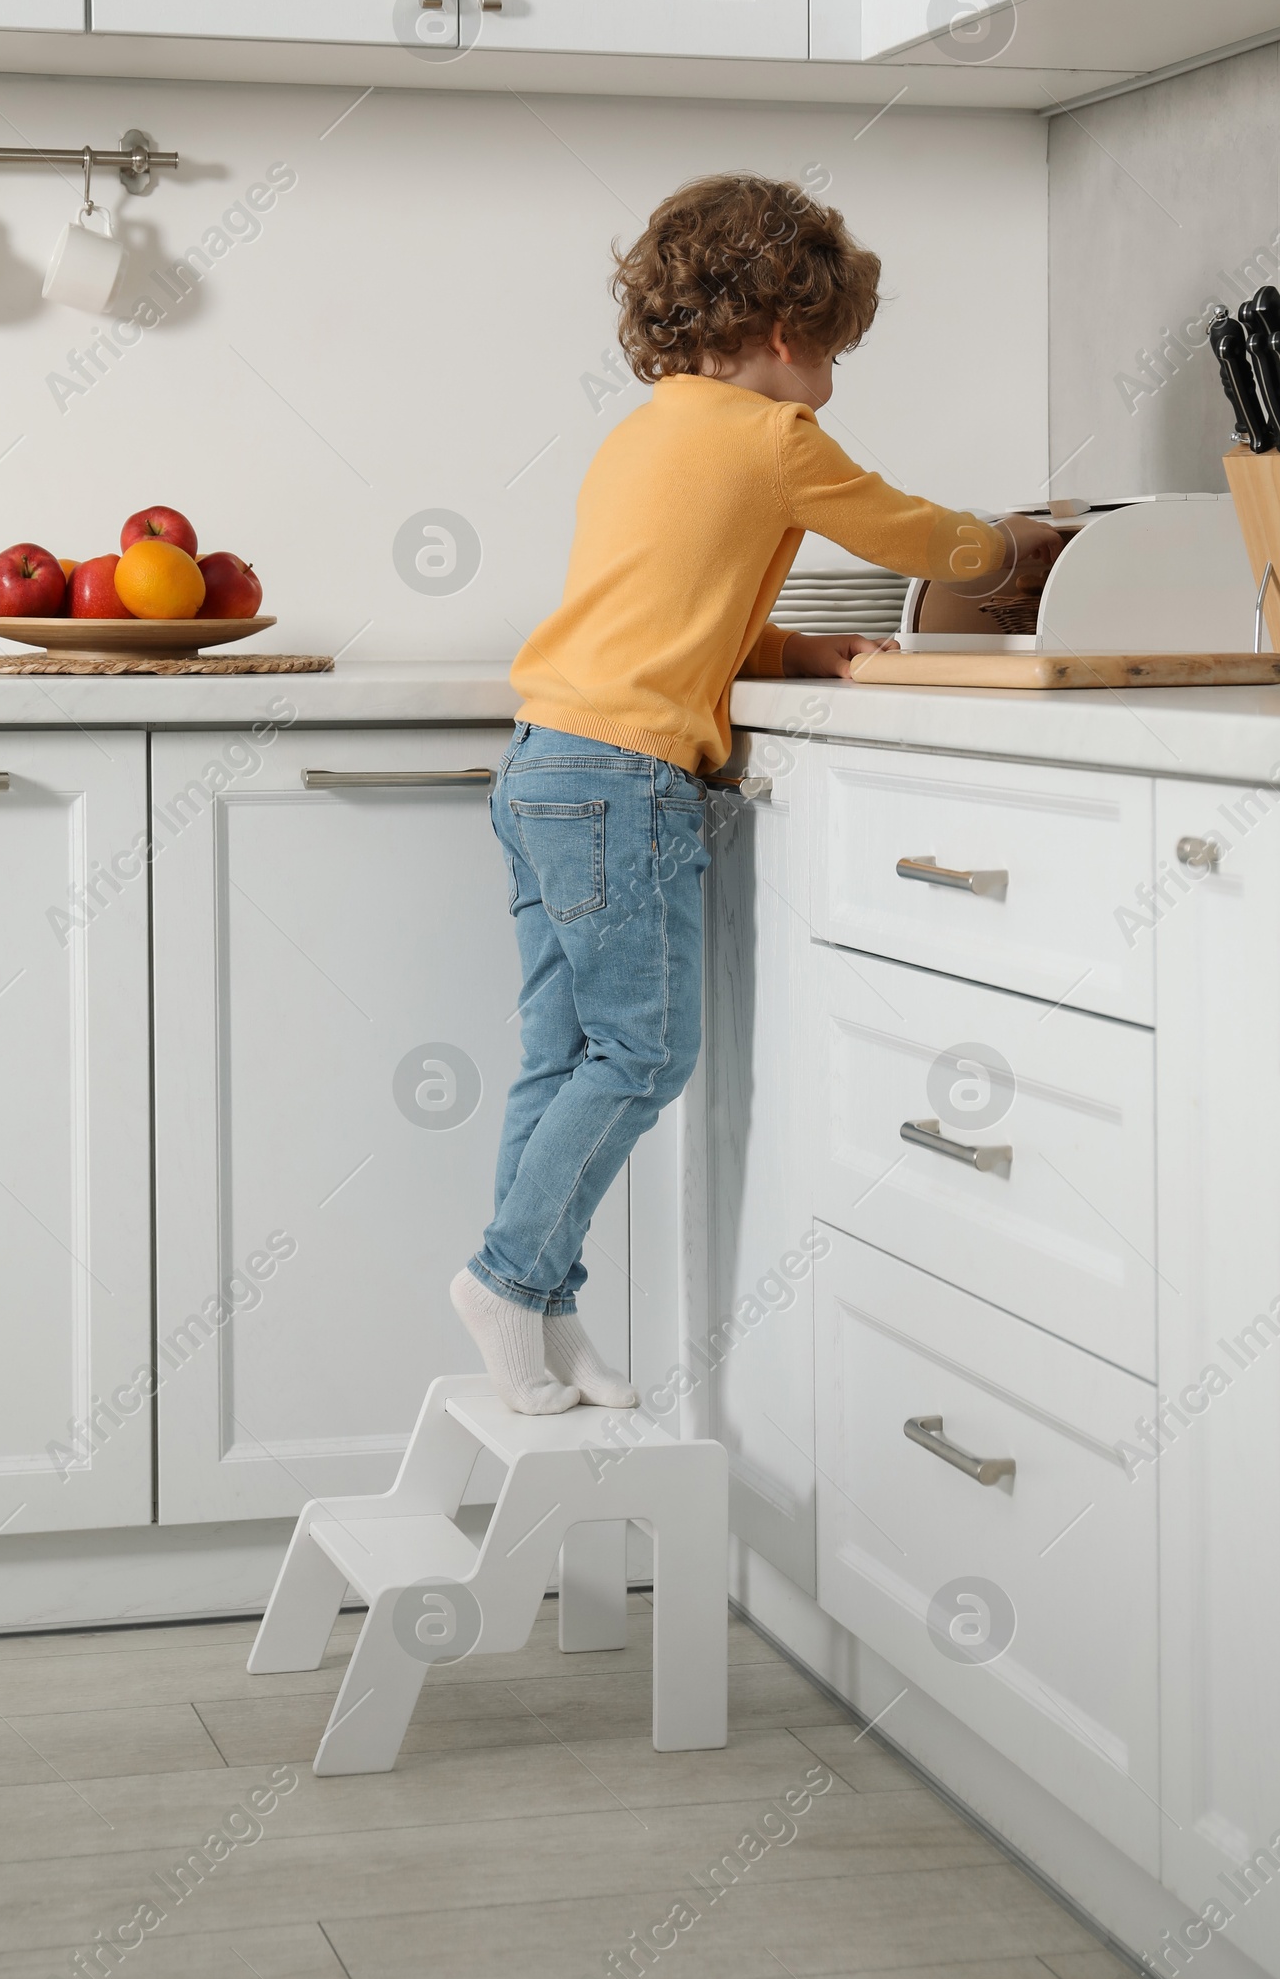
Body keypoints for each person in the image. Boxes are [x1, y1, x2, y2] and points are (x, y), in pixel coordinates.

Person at [451, 172, 1060, 1412]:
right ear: (788, 334)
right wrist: (1015, 546)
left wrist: (803, 654)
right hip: (624, 779)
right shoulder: (777, 438)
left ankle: (542, 1312)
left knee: (559, 1051)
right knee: (642, 1052)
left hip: (544, 760)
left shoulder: (643, 434)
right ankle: (507, 1281)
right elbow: (907, 534)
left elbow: (676, 610)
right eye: (835, 352)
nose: (832, 380)